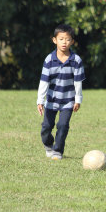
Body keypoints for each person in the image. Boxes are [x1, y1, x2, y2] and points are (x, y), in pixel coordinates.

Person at [37, 24, 85, 160]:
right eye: (61, 39)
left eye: (68, 39)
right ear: (54, 40)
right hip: (51, 100)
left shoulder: (76, 61)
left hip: (68, 101)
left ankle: (58, 151)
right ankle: (48, 145)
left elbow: (78, 82)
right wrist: (40, 100)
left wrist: (78, 99)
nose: (65, 42)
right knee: (46, 127)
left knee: (63, 126)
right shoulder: (49, 60)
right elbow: (44, 82)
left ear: (72, 42)